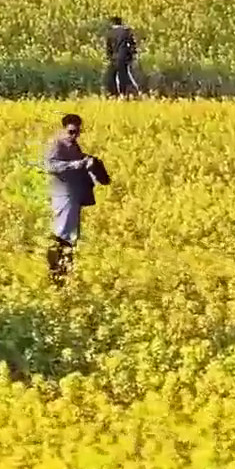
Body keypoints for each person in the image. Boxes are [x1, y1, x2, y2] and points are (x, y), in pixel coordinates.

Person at [44, 113, 109, 286]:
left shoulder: (73, 145)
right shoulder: (55, 143)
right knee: (61, 232)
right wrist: (76, 165)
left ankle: (65, 272)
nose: (75, 135)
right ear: (63, 128)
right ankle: (56, 274)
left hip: (73, 195)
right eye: (71, 131)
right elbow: (49, 165)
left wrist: (89, 161)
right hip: (61, 194)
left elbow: (77, 162)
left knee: (70, 234)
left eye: (77, 132)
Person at [104, 16, 140, 97]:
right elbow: (132, 45)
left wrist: (109, 57)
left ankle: (115, 94)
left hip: (114, 58)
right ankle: (130, 92)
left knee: (113, 77)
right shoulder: (126, 32)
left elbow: (108, 47)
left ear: (112, 23)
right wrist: (132, 55)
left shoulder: (110, 33)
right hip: (124, 58)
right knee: (125, 75)